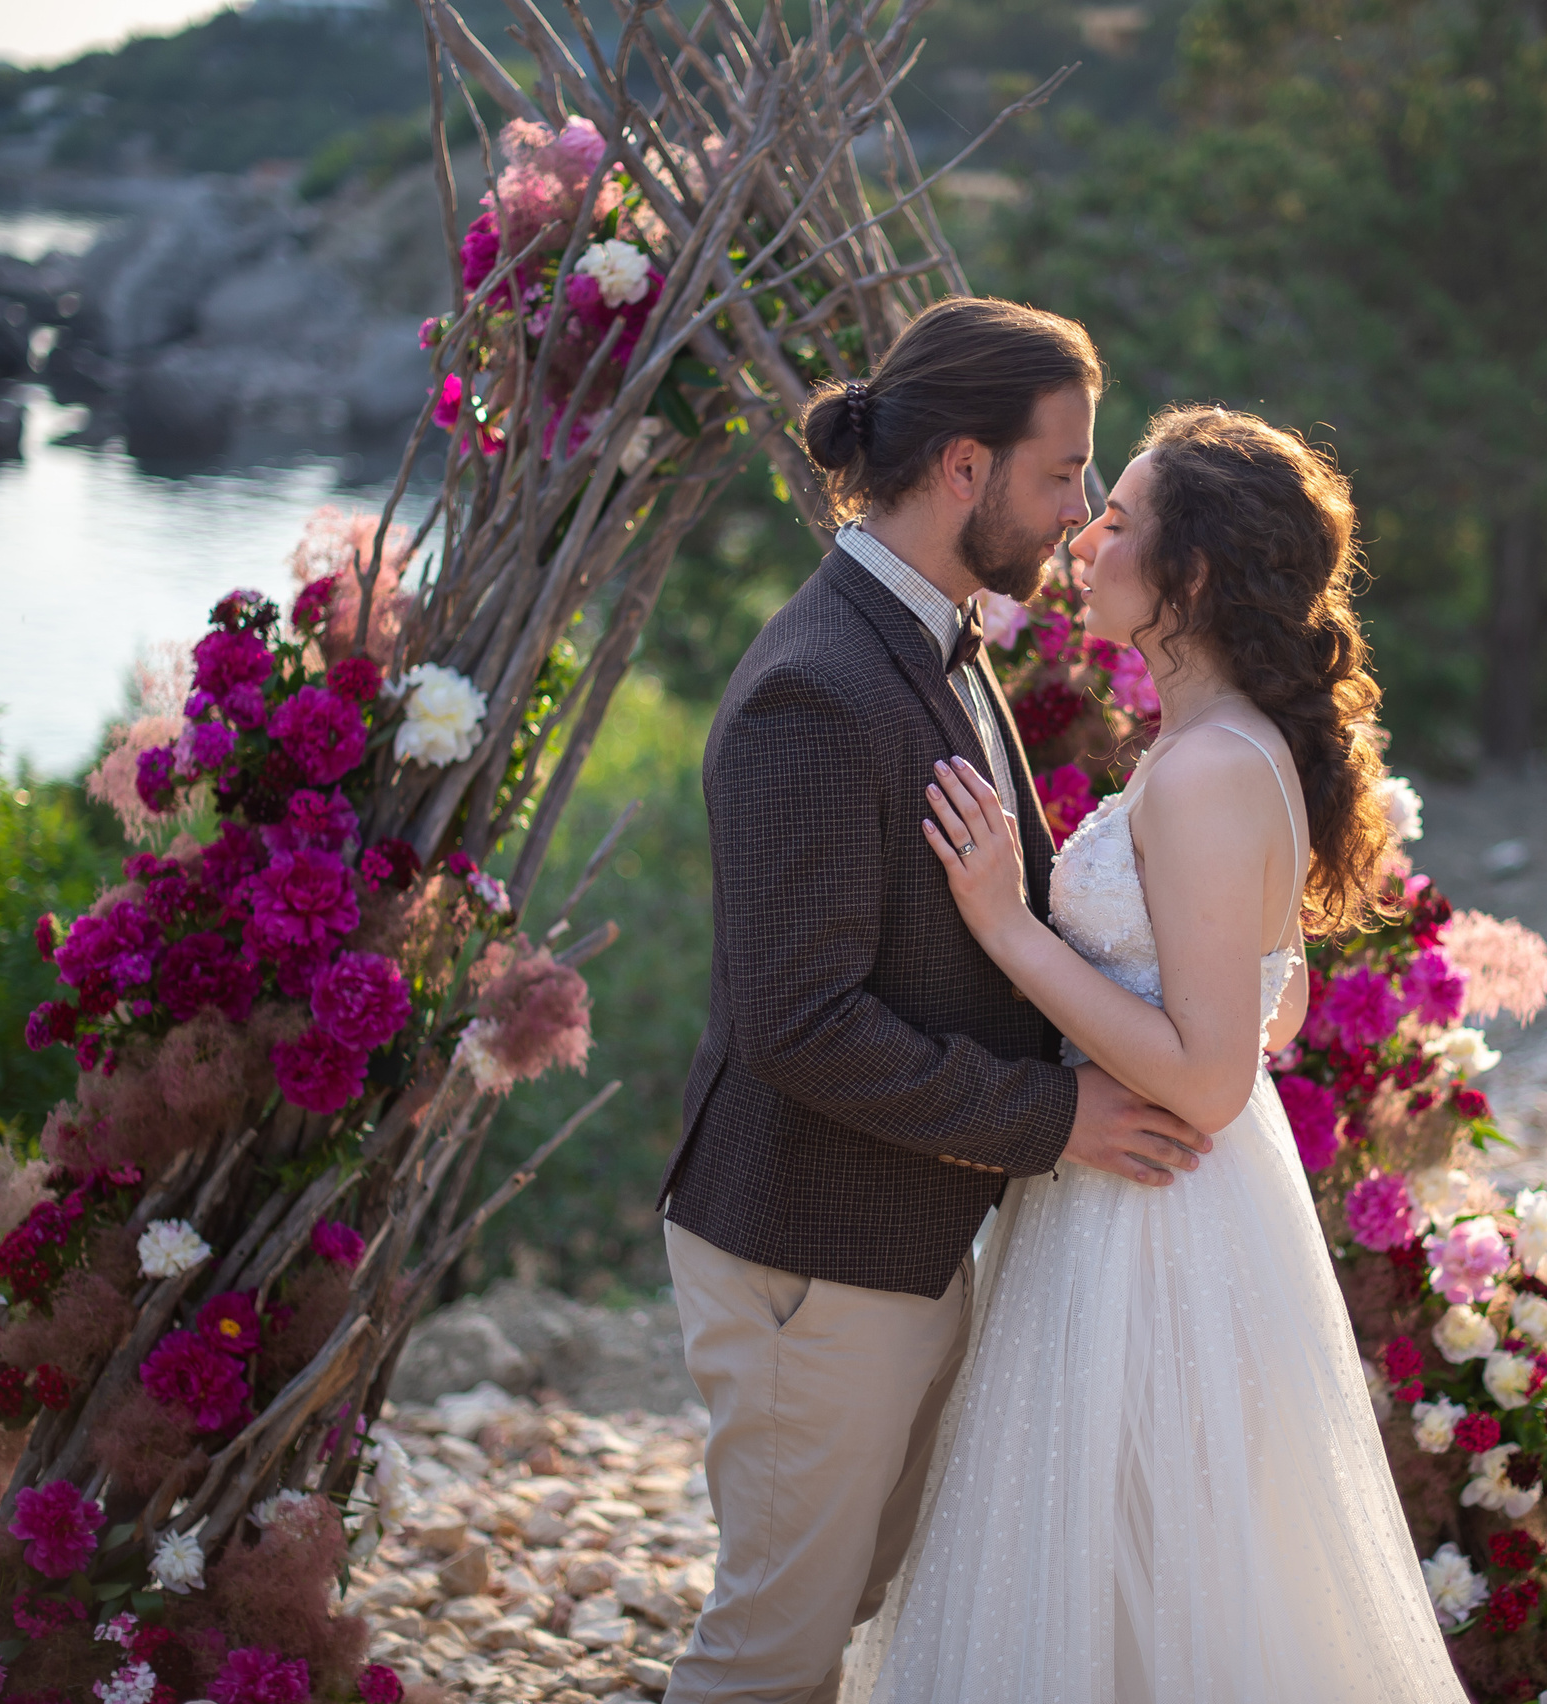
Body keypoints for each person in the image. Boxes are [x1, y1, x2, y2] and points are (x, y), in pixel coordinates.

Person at [853, 405, 1468, 1701]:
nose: (1086, 533)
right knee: (1150, 1564)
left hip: (1152, 1213)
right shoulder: (1229, 749)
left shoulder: (1202, 773)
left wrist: (1006, 926)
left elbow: (1209, 1075)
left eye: (1120, 519)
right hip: (1180, 1198)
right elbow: (1279, 1005)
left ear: (1188, 573)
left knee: (1135, 1562)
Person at [657, 297, 1211, 1704]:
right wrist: (1055, 1118)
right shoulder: (821, 690)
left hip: (894, 1238)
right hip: (806, 1253)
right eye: (1063, 472)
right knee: (771, 1650)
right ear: (964, 467)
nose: (1081, 512)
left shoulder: (935, 638)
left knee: (856, 1596)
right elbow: (799, 1024)